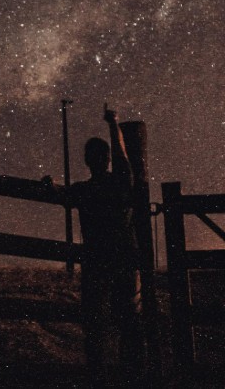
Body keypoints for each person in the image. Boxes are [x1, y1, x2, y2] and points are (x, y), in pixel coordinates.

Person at [44, 105, 144, 386]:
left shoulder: (84, 190)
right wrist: (113, 123)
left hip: (97, 261)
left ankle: (98, 375)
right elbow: (122, 155)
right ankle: (132, 375)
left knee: (95, 322)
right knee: (129, 319)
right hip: (124, 259)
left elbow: (62, 194)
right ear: (107, 159)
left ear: (88, 161)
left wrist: (50, 186)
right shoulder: (121, 181)